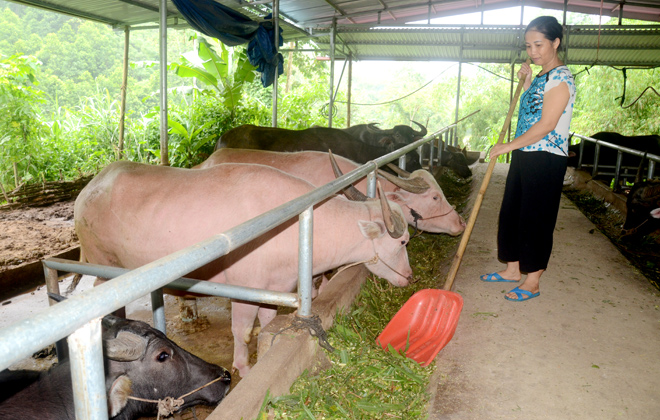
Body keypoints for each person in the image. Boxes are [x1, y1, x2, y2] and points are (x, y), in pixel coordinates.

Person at [480, 15, 576, 302]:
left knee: (536, 218)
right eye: (528, 46)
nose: (532, 51)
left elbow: (547, 124)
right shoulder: (544, 77)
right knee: (511, 212)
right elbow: (533, 109)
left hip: (546, 157)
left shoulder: (562, 77)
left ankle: (532, 281)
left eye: (538, 45)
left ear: (555, 42)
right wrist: (527, 83)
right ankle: (512, 270)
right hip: (527, 153)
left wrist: (506, 146)